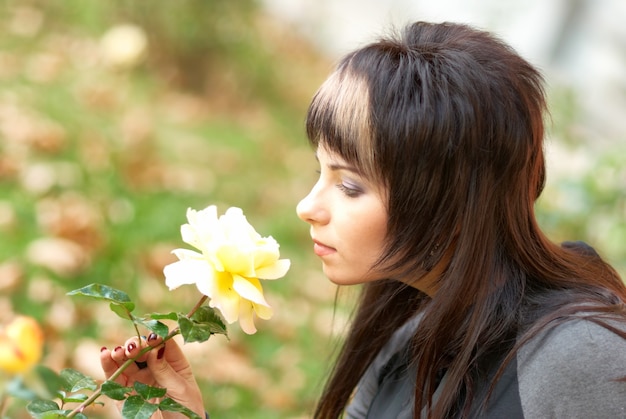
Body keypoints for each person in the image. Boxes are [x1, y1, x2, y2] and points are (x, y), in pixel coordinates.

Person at [100, 21, 626, 418]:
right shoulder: (412, 330)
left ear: (454, 204)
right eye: (320, 172)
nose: (309, 207)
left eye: (350, 185)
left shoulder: (579, 358)